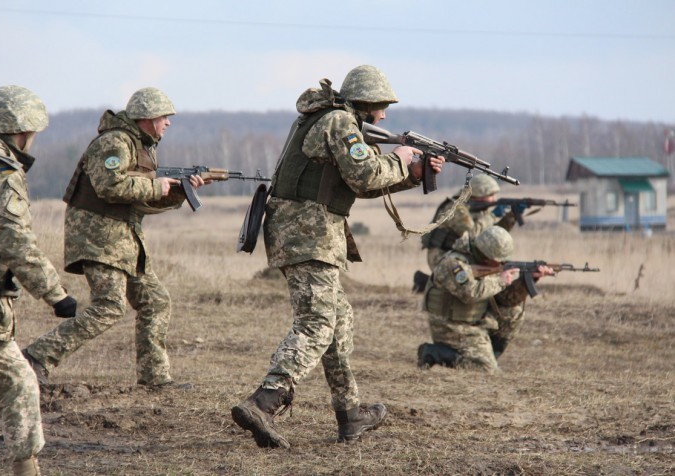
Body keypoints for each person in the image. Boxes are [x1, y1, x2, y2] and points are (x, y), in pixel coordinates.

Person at [231, 65, 445, 448]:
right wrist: (400, 159)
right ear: (367, 102)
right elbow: (365, 176)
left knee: (339, 319)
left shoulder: (331, 120)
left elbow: (354, 184)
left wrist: (412, 175)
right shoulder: (339, 123)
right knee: (317, 322)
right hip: (307, 234)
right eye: (381, 107)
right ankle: (264, 402)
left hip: (306, 233)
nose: (383, 116)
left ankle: (350, 415)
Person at [22, 87, 205, 389]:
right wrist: (155, 187)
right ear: (147, 118)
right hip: (99, 239)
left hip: (122, 241)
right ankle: (36, 358)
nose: (168, 123)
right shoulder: (114, 143)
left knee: (155, 301)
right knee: (108, 307)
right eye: (164, 117)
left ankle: (154, 379)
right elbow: (110, 186)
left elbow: (140, 200)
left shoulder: (141, 146)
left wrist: (178, 193)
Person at [0, 85, 77, 476]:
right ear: (21, 129)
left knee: (20, 385)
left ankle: (27, 468)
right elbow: (13, 239)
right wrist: (55, 294)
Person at [418, 226, 554, 373]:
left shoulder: (487, 264)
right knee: (486, 371)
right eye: (499, 261)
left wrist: (529, 280)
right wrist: (501, 281)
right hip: (449, 324)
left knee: (514, 312)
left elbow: (504, 300)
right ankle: (435, 353)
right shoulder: (453, 263)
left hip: (473, 319)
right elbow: (470, 293)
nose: (501, 264)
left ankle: (487, 357)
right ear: (487, 256)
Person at [421, 173, 526, 271]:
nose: (494, 199)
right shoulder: (456, 208)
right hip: (442, 256)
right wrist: (492, 216)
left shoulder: (479, 209)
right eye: (491, 195)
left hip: (461, 254)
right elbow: (471, 234)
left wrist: (511, 217)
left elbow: (490, 235)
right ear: (478, 194)